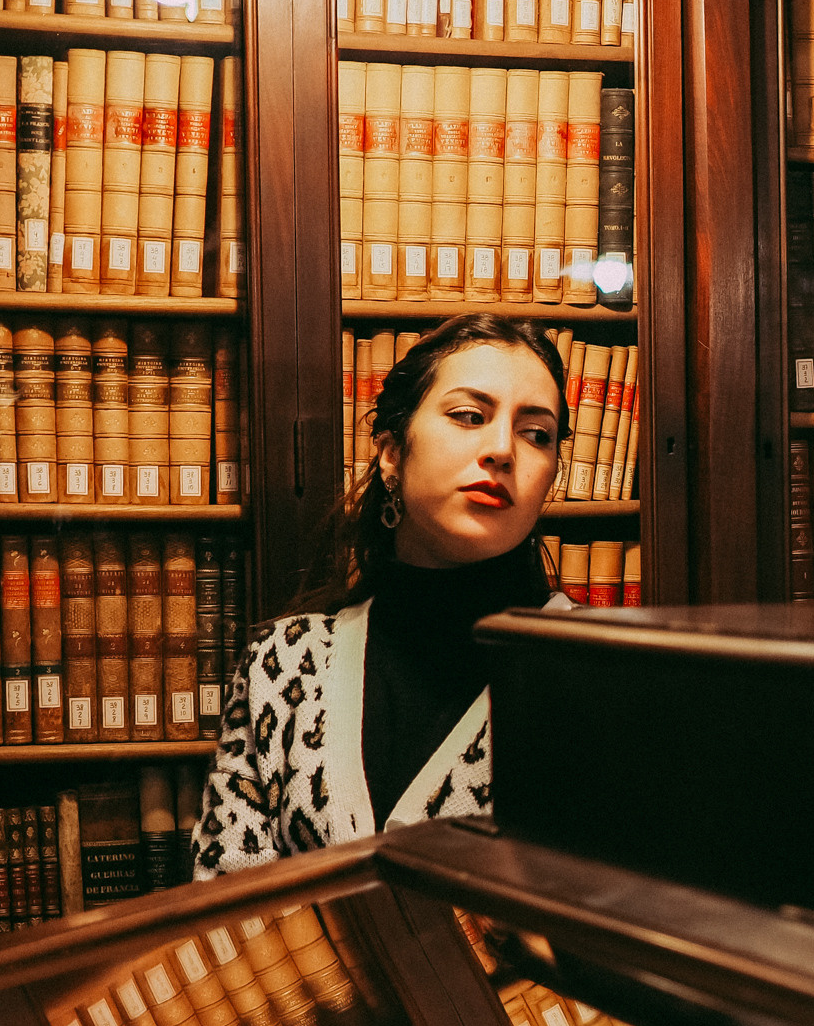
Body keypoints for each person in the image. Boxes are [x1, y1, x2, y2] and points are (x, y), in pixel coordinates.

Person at [191, 314, 572, 878]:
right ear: (391, 452)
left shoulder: (595, 671)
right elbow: (222, 906)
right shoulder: (287, 661)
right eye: (470, 416)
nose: (502, 450)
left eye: (535, 433)